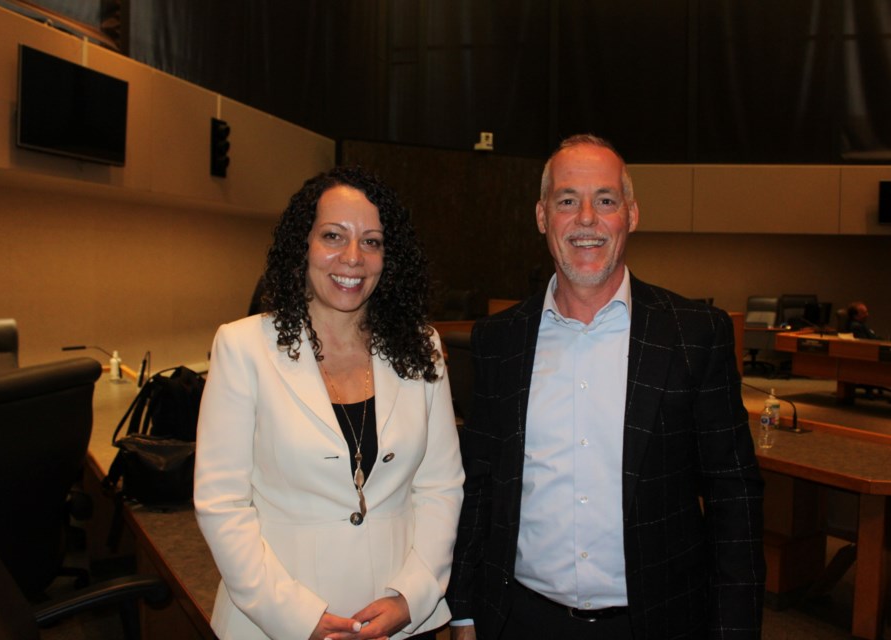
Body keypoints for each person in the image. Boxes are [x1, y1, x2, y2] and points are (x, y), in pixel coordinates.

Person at [446, 135, 765, 639]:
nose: (587, 218)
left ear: (631, 215)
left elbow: (734, 498)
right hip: (520, 621)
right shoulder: (498, 341)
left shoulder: (694, 334)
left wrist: (736, 630)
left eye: (606, 200)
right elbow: (478, 486)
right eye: (568, 200)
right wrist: (462, 611)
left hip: (658, 622)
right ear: (542, 216)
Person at [195, 166, 465, 640]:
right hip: (275, 623)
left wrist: (412, 595)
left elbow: (442, 487)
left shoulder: (423, 347)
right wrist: (298, 617)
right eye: (333, 236)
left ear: (389, 257)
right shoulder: (242, 348)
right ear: (304, 245)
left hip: (398, 622)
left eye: (373, 242)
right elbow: (222, 504)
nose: (353, 258)